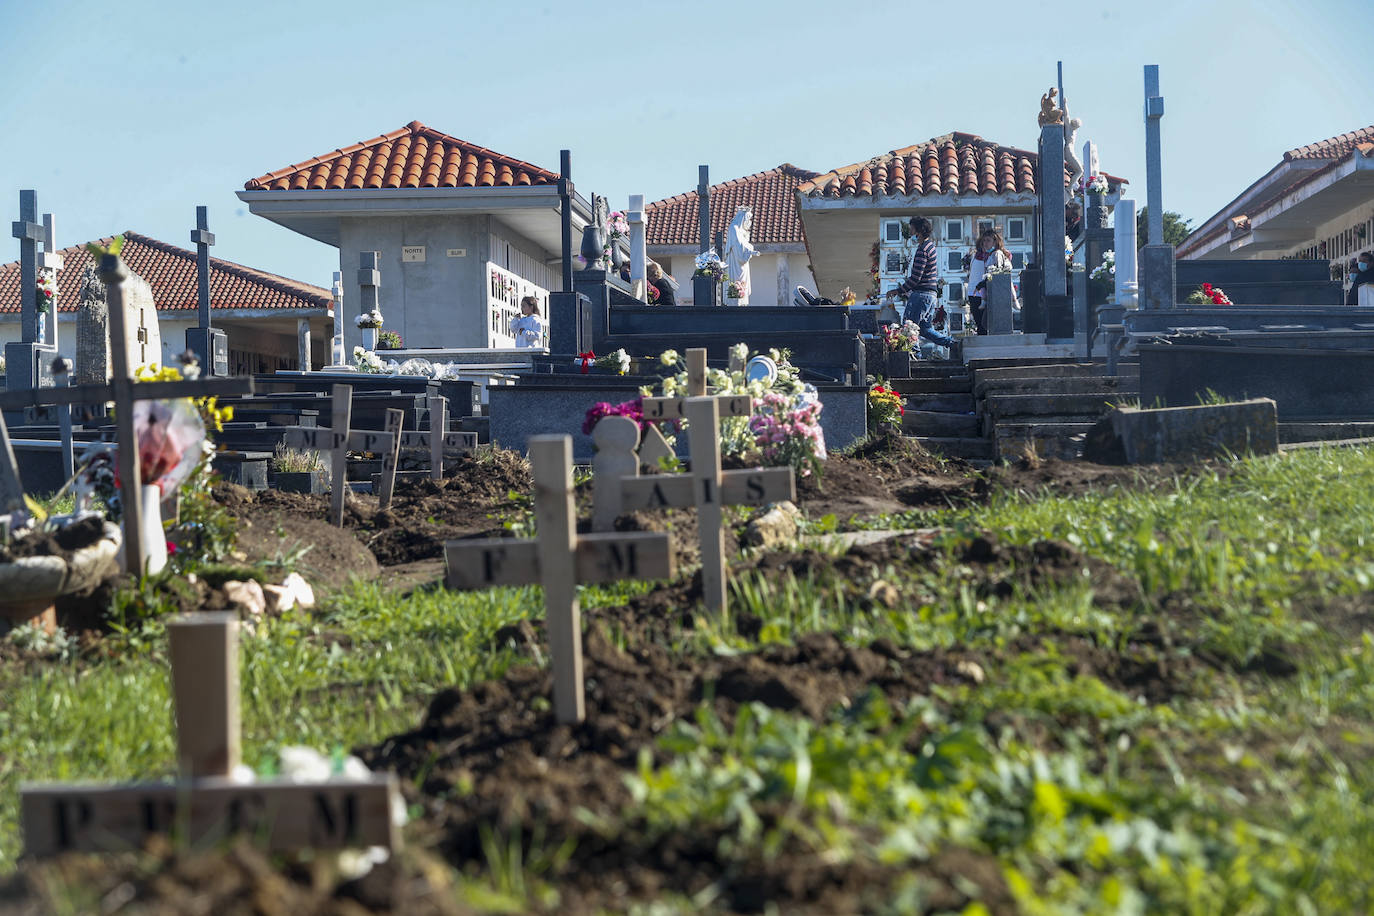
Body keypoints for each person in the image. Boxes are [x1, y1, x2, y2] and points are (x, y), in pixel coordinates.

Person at [886, 216, 960, 359]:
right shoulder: (930, 247)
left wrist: (898, 290)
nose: (910, 231)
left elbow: (915, 279)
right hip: (930, 295)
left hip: (921, 294)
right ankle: (951, 343)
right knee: (925, 329)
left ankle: (916, 357)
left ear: (918, 231)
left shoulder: (922, 250)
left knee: (909, 326)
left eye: (912, 228)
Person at [966, 227, 1018, 335]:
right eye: (983, 240)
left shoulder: (996, 254)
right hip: (973, 292)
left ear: (995, 242)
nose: (985, 243)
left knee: (985, 324)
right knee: (979, 323)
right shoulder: (976, 255)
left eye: (988, 240)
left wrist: (982, 284)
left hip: (985, 293)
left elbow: (997, 273)